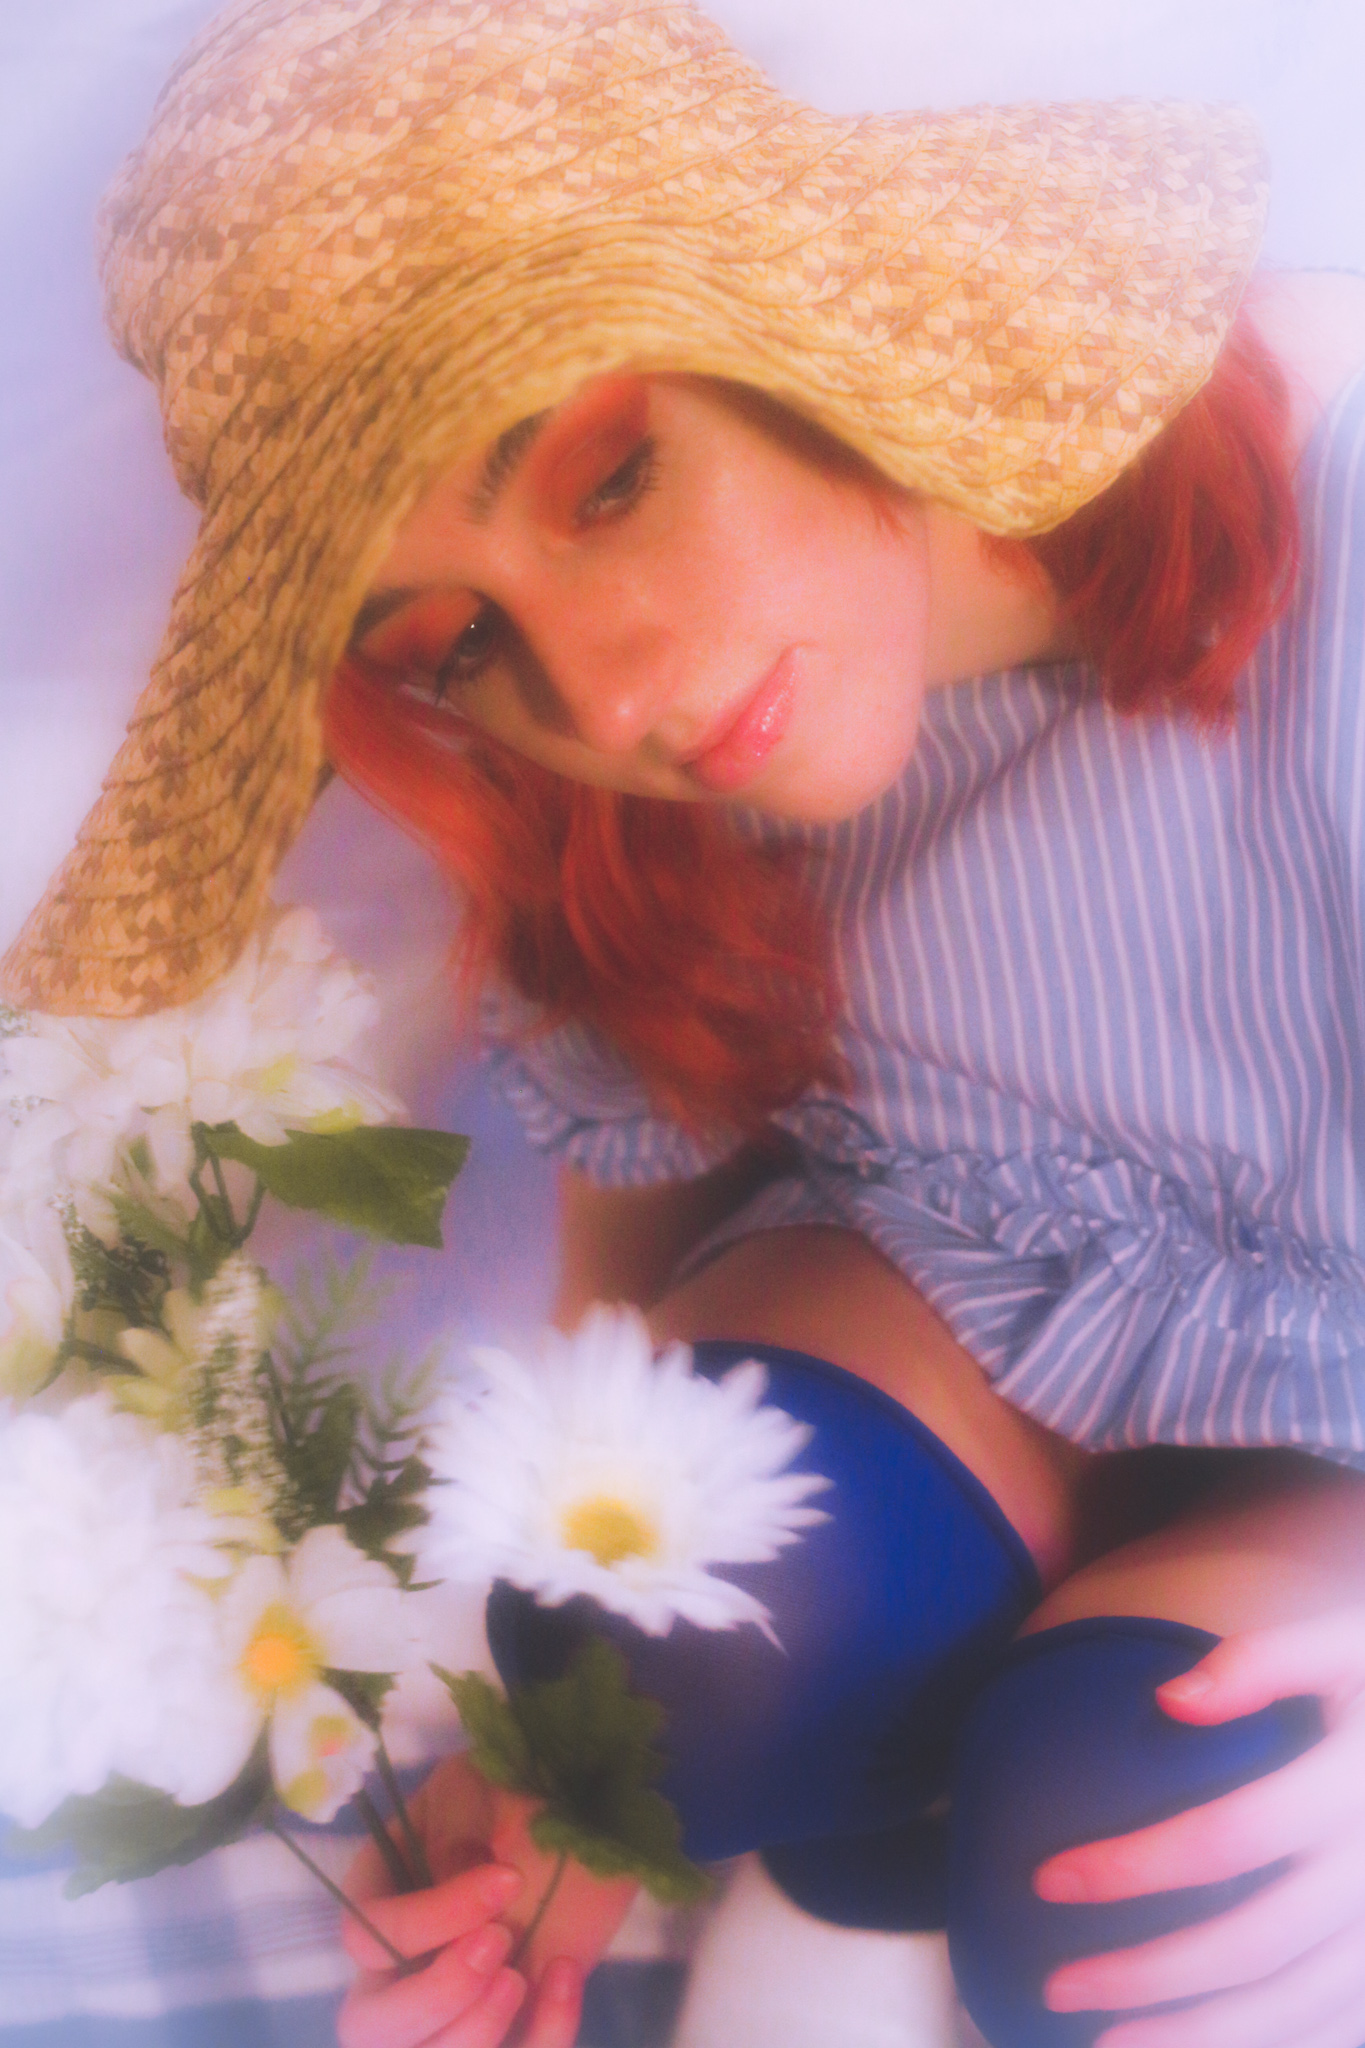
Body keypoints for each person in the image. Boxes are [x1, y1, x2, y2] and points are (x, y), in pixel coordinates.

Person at [4, 2, 1363, 2045]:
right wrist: (552, 1771)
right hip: (951, 1289)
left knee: (1144, 1863)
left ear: (803, 325)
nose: (607, 692)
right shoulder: (612, 791)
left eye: (611, 479)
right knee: (653, 1649)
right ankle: (888, 1765)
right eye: (459, 642)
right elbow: (631, 1299)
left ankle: (949, 1777)